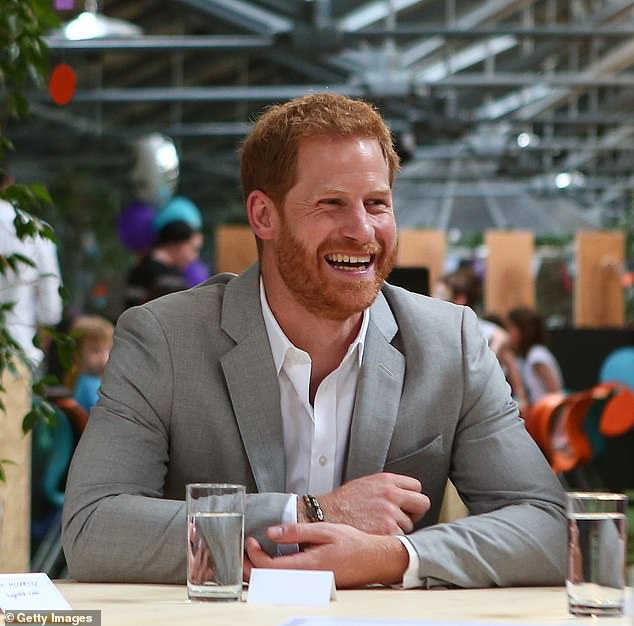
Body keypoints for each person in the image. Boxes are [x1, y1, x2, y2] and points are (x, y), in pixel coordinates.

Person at [62, 93, 566, 589]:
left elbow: (547, 525)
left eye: (377, 204)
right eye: (331, 204)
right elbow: (94, 528)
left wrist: (393, 557)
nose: (361, 230)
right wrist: (307, 513)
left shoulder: (448, 342)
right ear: (264, 215)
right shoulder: (165, 339)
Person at [433, 270, 530, 412]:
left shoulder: (490, 334)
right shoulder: (437, 331)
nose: (433, 299)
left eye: (441, 295)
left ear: (460, 298)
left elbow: (516, 386)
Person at [124, 219, 203, 308]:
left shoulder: (175, 272)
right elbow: (132, 310)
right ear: (175, 244)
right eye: (193, 249)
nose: (195, 257)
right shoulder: (144, 271)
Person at [507, 306, 564, 405]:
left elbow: (555, 392)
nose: (508, 333)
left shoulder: (537, 356)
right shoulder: (523, 357)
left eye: (511, 328)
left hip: (545, 416)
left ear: (523, 330)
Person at [68, 315, 114, 413]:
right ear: (77, 354)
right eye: (96, 351)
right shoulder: (89, 385)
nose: (104, 358)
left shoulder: (91, 381)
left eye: (108, 350)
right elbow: (106, 415)